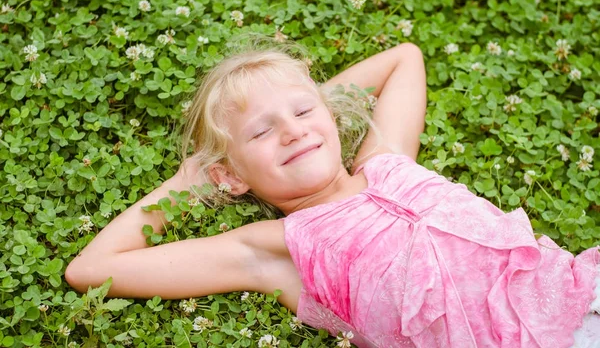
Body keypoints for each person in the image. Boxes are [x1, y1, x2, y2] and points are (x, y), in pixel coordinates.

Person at [65, 36, 600, 347]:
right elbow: (90, 269)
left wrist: (305, 104)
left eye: (302, 113)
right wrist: (192, 178)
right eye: (261, 132)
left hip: (584, 297)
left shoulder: (387, 160)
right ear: (233, 175)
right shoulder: (274, 247)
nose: (293, 131)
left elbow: (404, 58)